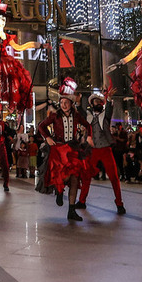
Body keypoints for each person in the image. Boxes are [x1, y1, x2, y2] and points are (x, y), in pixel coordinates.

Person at [37, 82, 91, 222]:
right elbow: (41, 126)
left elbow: (87, 125)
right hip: (59, 150)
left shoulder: (77, 115)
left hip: (72, 149)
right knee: (62, 176)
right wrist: (47, 137)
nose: (63, 105)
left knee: (74, 179)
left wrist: (88, 137)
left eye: (66, 102)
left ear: (71, 103)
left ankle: (71, 210)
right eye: (62, 102)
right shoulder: (55, 116)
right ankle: (59, 191)